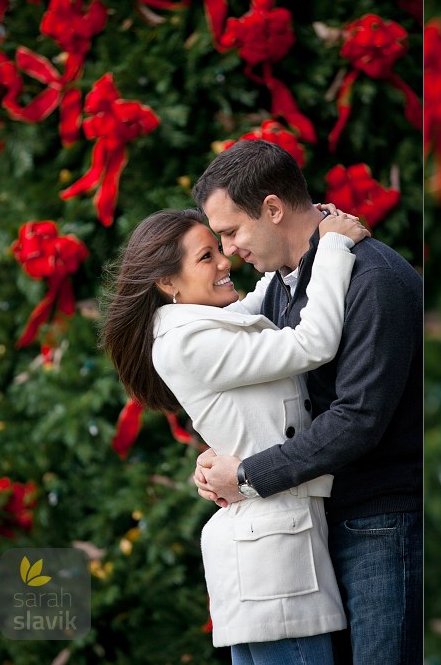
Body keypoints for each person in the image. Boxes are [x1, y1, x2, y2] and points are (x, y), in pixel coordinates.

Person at [188, 139, 423, 664]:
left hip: (383, 522)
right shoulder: (280, 284)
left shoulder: (373, 278)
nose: (228, 251)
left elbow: (357, 419)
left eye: (231, 232)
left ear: (272, 209)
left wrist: (247, 474)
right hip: (324, 521)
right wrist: (220, 458)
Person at [100, 205, 369, 663]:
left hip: (269, 553)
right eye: (206, 257)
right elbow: (311, 344)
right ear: (169, 283)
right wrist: (335, 246)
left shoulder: (201, 324)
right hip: (273, 565)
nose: (225, 260)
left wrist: (297, 244)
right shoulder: (190, 341)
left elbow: (262, 296)